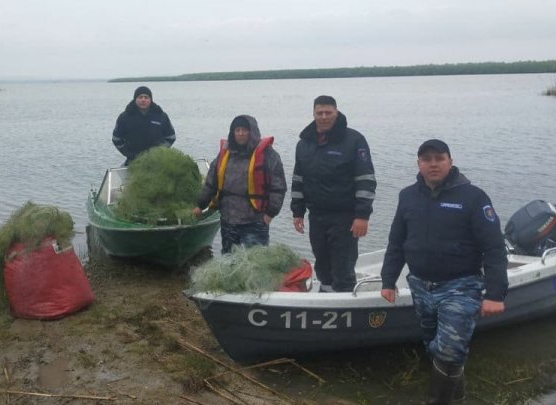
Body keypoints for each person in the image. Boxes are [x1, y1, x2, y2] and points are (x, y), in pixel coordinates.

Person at [380, 139, 508, 404]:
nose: (433, 164)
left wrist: (495, 293)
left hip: (461, 286)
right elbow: (396, 242)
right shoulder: (407, 196)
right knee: (435, 348)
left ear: (450, 161)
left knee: (449, 351)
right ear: (419, 164)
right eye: (427, 159)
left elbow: (494, 248)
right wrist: (388, 280)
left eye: (439, 158)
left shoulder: (473, 197)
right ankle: (457, 398)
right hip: (420, 285)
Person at [290, 95, 376, 292]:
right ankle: (326, 294)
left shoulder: (354, 140)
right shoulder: (304, 144)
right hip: (317, 215)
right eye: (319, 113)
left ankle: (345, 298)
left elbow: (366, 180)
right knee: (321, 261)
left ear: (336, 113)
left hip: (345, 216)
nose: (324, 116)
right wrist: (297, 212)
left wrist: (362, 216)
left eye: (328, 112)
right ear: (313, 114)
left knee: (343, 265)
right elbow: (298, 180)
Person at [194, 115, 286, 253]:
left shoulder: (269, 155)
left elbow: (278, 187)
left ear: (252, 132)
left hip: (255, 221)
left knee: (254, 263)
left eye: (244, 130)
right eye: (237, 130)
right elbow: (211, 182)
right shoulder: (225, 154)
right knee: (228, 261)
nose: (241, 133)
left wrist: (270, 214)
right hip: (228, 219)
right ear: (232, 133)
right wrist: (200, 205)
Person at [112, 86, 176, 165]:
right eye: (140, 97)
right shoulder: (124, 117)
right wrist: (129, 154)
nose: (143, 100)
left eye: (146, 97)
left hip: (157, 161)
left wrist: (159, 152)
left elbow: (171, 137)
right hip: (133, 161)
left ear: (150, 99)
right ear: (135, 99)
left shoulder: (161, 116)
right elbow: (116, 139)